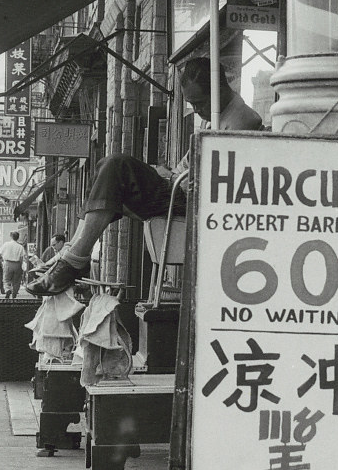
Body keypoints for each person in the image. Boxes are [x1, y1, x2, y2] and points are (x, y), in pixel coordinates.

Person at [34, 58, 262, 296]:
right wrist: (169, 172)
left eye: (199, 103)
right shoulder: (215, 114)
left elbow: (213, 178)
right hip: (180, 187)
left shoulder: (241, 120)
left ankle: (73, 260)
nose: (196, 110)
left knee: (116, 165)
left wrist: (174, 177)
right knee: (105, 169)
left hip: (192, 201)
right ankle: (73, 252)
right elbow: (188, 163)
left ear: (219, 90)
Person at [0, 230, 27, 299]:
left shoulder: (6, 244)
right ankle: (14, 294)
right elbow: (22, 257)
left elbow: (0, 254)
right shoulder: (20, 247)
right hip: (17, 264)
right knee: (16, 281)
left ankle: (7, 289)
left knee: (6, 279)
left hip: (8, 263)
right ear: (18, 237)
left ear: (11, 237)